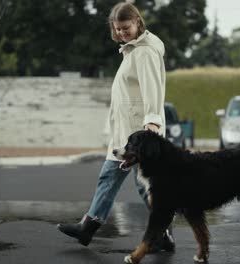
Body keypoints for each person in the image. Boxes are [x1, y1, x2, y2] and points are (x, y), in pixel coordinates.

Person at [57, 2, 174, 251]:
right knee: (114, 178)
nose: (121, 32)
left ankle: (160, 232)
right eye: (118, 28)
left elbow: (153, 88)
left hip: (139, 134)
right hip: (127, 132)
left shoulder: (144, 52)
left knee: (142, 185)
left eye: (126, 27)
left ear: (138, 22)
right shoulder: (132, 50)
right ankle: (90, 227)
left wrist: (152, 121)